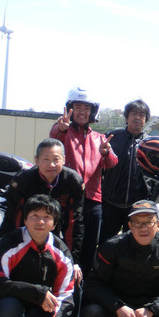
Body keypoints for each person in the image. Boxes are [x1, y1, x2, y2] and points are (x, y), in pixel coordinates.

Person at [49, 86, 118, 276]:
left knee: (89, 246)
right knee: (64, 243)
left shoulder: (100, 138)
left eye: (86, 108)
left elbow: (112, 162)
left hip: (93, 200)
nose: (82, 111)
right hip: (67, 198)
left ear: (92, 112)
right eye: (78, 107)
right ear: (70, 109)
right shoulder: (64, 132)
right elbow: (54, 137)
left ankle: (84, 284)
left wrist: (106, 152)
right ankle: (60, 280)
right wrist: (60, 128)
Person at [0, 195, 76, 317]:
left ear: (54, 224)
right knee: (9, 308)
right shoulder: (9, 243)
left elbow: (65, 295)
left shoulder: (61, 253)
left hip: (41, 313)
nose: (40, 222)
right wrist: (37, 293)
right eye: (35, 216)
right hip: (9, 310)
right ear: (25, 220)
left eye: (47, 217)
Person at [2, 138, 84, 282]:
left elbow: (74, 222)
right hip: (25, 234)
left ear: (64, 160)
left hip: (54, 234)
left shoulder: (73, 181)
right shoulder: (22, 181)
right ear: (36, 160)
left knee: (73, 278)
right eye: (46, 159)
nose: (51, 165)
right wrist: (8, 249)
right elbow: (13, 218)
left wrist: (73, 260)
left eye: (56, 159)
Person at [101, 99, 152, 243]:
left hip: (137, 207)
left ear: (146, 120)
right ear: (127, 117)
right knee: (106, 242)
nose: (137, 117)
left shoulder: (150, 143)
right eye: (134, 113)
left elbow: (157, 176)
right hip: (110, 203)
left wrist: (150, 199)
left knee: (134, 243)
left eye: (142, 115)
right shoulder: (112, 137)